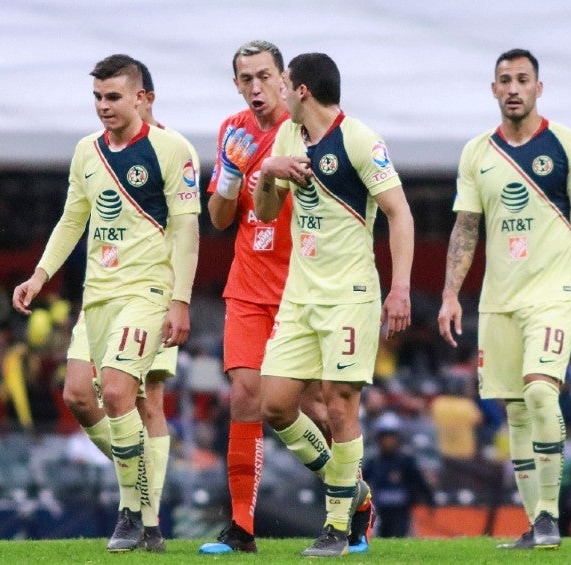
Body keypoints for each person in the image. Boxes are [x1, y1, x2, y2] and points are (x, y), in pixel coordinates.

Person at [12, 54, 200, 553]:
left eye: (113, 97)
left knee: (126, 394)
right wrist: (40, 274)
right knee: (78, 394)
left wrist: (179, 301)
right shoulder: (86, 152)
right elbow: (72, 220)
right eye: (97, 97)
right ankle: (147, 506)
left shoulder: (171, 148)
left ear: (141, 97)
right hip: (97, 296)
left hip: (147, 293)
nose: (103, 106)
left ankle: (135, 512)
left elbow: (186, 230)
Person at [437, 48, 571, 550]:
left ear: (539, 87)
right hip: (498, 300)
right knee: (514, 410)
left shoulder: (568, 145)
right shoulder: (477, 153)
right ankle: (536, 523)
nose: (513, 88)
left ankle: (551, 515)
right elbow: (465, 228)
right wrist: (450, 295)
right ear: (493, 89)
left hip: (554, 294)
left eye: (523, 80)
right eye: (505, 80)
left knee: (539, 392)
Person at [254, 52, 415, 557]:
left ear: (302, 90)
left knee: (340, 405)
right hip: (299, 296)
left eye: (283, 84)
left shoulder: (361, 140)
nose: (277, 93)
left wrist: (401, 288)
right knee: (275, 404)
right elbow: (264, 212)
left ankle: (337, 525)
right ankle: (355, 492)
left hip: (350, 295)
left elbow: (399, 213)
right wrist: (267, 172)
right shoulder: (286, 138)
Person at [199, 39, 351, 556]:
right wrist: (232, 176)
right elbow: (220, 222)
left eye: (265, 76)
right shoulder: (231, 132)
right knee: (245, 396)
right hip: (246, 288)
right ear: (236, 84)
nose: (257, 88)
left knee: (315, 408)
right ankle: (242, 526)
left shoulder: (312, 130)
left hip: (301, 291)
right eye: (246, 79)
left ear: (285, 78)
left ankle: (354, 501)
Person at [361, 413, 434, 538]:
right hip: (379, 511)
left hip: (402, 512)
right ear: (379, 439)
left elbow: (418, 481)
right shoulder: (373, 461)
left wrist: (429, 500)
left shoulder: (406, 460)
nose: (388, 441)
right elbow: (362, 482)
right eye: (385, 437)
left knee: (403, 536)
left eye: (392, 437)